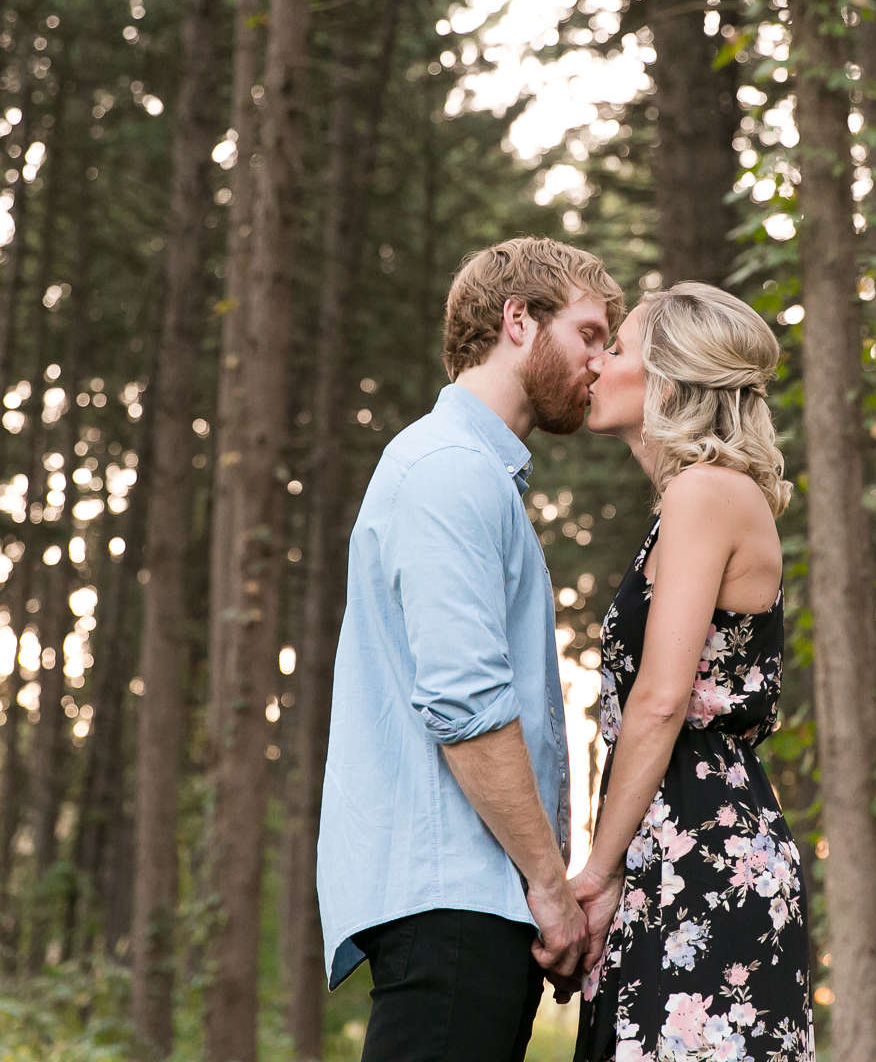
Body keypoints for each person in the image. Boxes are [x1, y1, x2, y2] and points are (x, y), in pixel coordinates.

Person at [316, 237, 627, 1061]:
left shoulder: (474, 473)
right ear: (518, 320)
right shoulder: (451, 468)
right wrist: (551, 889)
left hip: (467, 903)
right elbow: (466, 706)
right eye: (590, 334)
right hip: (452, 903)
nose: (600, 362)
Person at [572, 282, 815, 1062]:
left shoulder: (705, 494)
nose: (595, 365)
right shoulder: (697, 498)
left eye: (616, 349)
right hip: (672, 846)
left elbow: (660, 699)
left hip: (701, 858)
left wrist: (595, 874)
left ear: (668, 382)